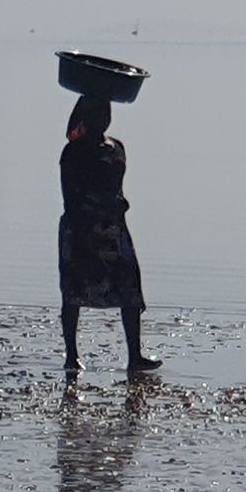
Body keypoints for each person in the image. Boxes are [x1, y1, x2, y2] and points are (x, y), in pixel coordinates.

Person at [58, 94, 160, 372]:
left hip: (113, 228)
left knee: (130, 290)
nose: (103, 120)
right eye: (97, 115)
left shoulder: (116, 149)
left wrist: (115, 205)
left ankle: (135, 356)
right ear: (85, 119)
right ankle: (71, 355)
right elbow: (70, 194)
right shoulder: (73, 153)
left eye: (106, 115)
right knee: (73, 292)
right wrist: (93, 207)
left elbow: (116, 186)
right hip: (80, 227)